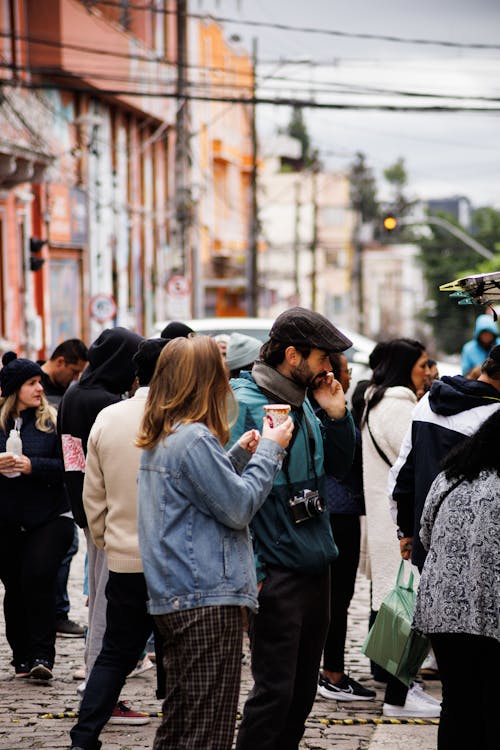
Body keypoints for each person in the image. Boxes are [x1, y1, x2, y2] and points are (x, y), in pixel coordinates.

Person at [136, 335, 293, 750]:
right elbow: (238, 506)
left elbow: (199, 495)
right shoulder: (194, 439)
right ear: (205, 381)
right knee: (208, 729)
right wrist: (271, 452)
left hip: (178, 595)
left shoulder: (166, 433)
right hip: (206, 598)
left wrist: (238, 455)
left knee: (181, 722)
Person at [231, 307, 356, 750]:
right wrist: (256, 571)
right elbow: (227, 494)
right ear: (292, 354)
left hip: (314, 563)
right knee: (274, 693)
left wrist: (338, 416)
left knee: (301, 694)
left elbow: (340, 469)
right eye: (323, 357)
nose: (330, 368)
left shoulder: (308, 404)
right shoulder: (244, 402)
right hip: (275, 570)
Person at [69, 339, 169, 750]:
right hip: (175, 563)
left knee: (115, 653)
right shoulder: (182, 419)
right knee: (178, 656)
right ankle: (177, 732)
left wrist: (108, 541)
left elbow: (94, 495)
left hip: (125, 557)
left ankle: (84, 735)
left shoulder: (109, 417)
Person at [58, 326, 145, 723]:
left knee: (99, 606)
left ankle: (96, 685)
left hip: (86, 509)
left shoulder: (76, 393)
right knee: (108, 610)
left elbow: (73, 461)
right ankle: (101, 693)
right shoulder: (107, 404)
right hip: (111, 517)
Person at [413, 410, 500, 750]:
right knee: (492, 703)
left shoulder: (450, 476)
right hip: (490, 613)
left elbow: (425, 533)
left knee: (457, 701)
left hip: (442, 612)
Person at [361, 338, 439, 718]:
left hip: (386, 516)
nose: (428, 371)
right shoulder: (397, 407)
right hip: (397, 519)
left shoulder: (380, 401)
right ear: (404, 366)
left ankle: (400, 685)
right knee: (407, 606)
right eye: (422, 364)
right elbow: (413, 464)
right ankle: (399, 690)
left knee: (396, 602)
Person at [389, 344, 500, 573]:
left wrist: (406, 531)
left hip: (427, 543)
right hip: (475, 551)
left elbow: (402, 475)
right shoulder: (494, 417)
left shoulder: (428, 402)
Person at [0, 352, 74, 680]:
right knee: (14, 586)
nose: (40, 388)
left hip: (50, 516)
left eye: (40, 381)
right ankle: (21, 656)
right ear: (14, 389)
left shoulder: (55, 421)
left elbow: (71, 467)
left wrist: (32, 466)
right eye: (32, 383)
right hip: (6, 519)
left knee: (37, 577)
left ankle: (43, 654)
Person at [315, 354, 375, 702]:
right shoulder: (333, 415)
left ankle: (329, 668)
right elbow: (351, 464)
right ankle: (333, 672)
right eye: (346, 371)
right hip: (340, 513)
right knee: (338, 597)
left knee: (332, 598)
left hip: (333, 512)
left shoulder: (319, 412)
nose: (349, 377)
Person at [39, 338, 89, 639]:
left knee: (66, 546)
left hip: (59, 481)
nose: (75, 378)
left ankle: (55, 612)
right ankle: (54, 613)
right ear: (59, 362)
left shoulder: (67, 392)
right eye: (73, 371)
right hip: (40, 483)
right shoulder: (36, 384)